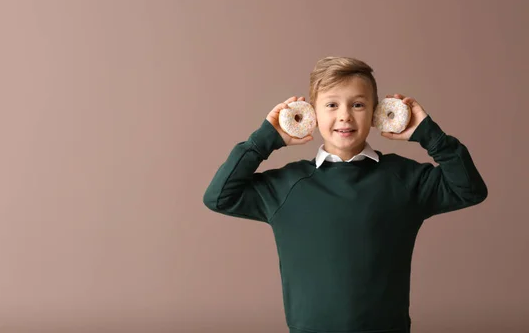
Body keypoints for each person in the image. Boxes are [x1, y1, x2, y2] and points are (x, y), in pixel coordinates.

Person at [203, 56, 488, 333]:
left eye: (358, 104)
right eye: (331, 104)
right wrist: (264, 140)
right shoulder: (286, 185)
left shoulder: (406, 179)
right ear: (312, 112)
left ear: (376, 112)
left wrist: (429, 134)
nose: (345, 115)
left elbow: (470, 190)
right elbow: (219, 197)